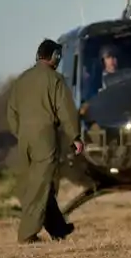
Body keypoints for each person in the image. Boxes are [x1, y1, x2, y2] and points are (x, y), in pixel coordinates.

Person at [6, 39, 84, 244]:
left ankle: (58, 228)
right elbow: (66, 111)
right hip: (45, 138)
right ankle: (27, 234)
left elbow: (11, 112)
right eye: (59, 56)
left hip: (24, 139)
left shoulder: (21, 80)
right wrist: (75, 137)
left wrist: (21, 133)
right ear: (54, 56)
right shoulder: (55, 79)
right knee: (41, 185)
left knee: (33, 183)